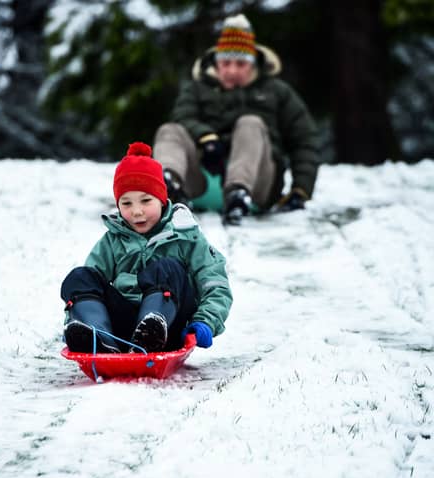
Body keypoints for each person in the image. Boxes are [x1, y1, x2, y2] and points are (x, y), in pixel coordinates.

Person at [61, 142, 232, 354]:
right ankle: (99, 338)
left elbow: (215, 283)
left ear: (161, 200)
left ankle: (152, 331)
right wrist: (76, 318)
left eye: (145, 201)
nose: (137, 212)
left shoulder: (185, 234)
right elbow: (90, 286)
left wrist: (205, 321)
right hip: (123, 327)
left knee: (167, 268)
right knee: (80, 277)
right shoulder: (113, 240)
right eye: (127, 204)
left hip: (170, 324)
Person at [154, 14, 321, 225]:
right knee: (170, 130)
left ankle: (239, 193)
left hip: (259, 185)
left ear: (253, 64)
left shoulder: (277, 91)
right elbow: (182, 116)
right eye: (226, 63)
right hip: (202, 179)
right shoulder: (197, 89)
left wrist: (301, 189)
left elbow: (304, 139)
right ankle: (166, 186)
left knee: (250, 123)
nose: (232, 70)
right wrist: (206, 138)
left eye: (240, 63)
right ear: (216, 61)